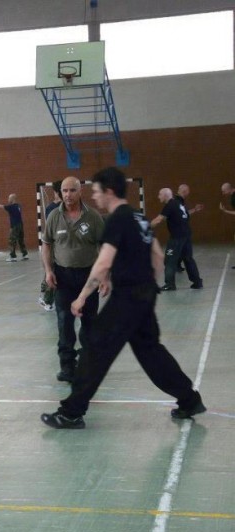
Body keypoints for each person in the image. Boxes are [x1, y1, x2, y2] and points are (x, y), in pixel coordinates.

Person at [41, 167, 206, 430]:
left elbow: (103, 262)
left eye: (96, 192)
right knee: (151, 353)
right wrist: (147, 286)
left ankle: (71, 412)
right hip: (145, 294)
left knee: (95, 347)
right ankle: (189, 399)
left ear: (108, 191)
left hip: (127, 298)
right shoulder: (139, 218)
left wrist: (82, 295)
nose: (94, 197)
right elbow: (158, 258)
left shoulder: (117, 219)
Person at [42, 176, 104, 383]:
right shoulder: (53, 216)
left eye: (72, 190)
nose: (67, 195)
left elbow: (103, 247)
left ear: (80, 192)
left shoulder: (93, 217)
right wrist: (48, 270)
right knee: (64, 323)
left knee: (89, 323)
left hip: (88, 277)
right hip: (63, 278)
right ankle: (67, 366)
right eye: (64, 191)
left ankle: (89, 364)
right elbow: (47, 244)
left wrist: (105, 275)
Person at [151, 188, 203, 291]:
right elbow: (186, 215)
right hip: (186, 236)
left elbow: (158, 220)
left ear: (166, 195)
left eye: (160, 194)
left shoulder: (169, 205)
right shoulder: (179, 204)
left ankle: (170, 284)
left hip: (177, 237)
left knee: (169, 260)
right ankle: (197, 282)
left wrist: (144, 227)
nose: (158, 197)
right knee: (188, 259)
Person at [39, 180, 62, 311]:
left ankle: (45, 297)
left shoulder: (58, 207)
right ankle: (47, 299)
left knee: (54, 270)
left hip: (60, 245)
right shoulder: (52, 208)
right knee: (53, 271)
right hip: (54, 244)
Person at [174, 184, 204, 274]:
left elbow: (185, 214)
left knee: (182, 251)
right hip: (180, 232)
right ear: (184, 191)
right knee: (185, 254)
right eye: (188, 191)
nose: (188, 193)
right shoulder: (177, 202)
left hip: (184, 232)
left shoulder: (181, 201)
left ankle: (177, 266)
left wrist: (195, 209)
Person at [0, 193, 29, 262]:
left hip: (15, 226)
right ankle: (25, 254)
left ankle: (13, 257)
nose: (8, 199)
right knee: (21, 240)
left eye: (9, 198)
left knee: (12, 241)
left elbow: (1, 206)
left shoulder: (11, 207)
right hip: (20, 225)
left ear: (12, 199)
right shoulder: (18, 206)